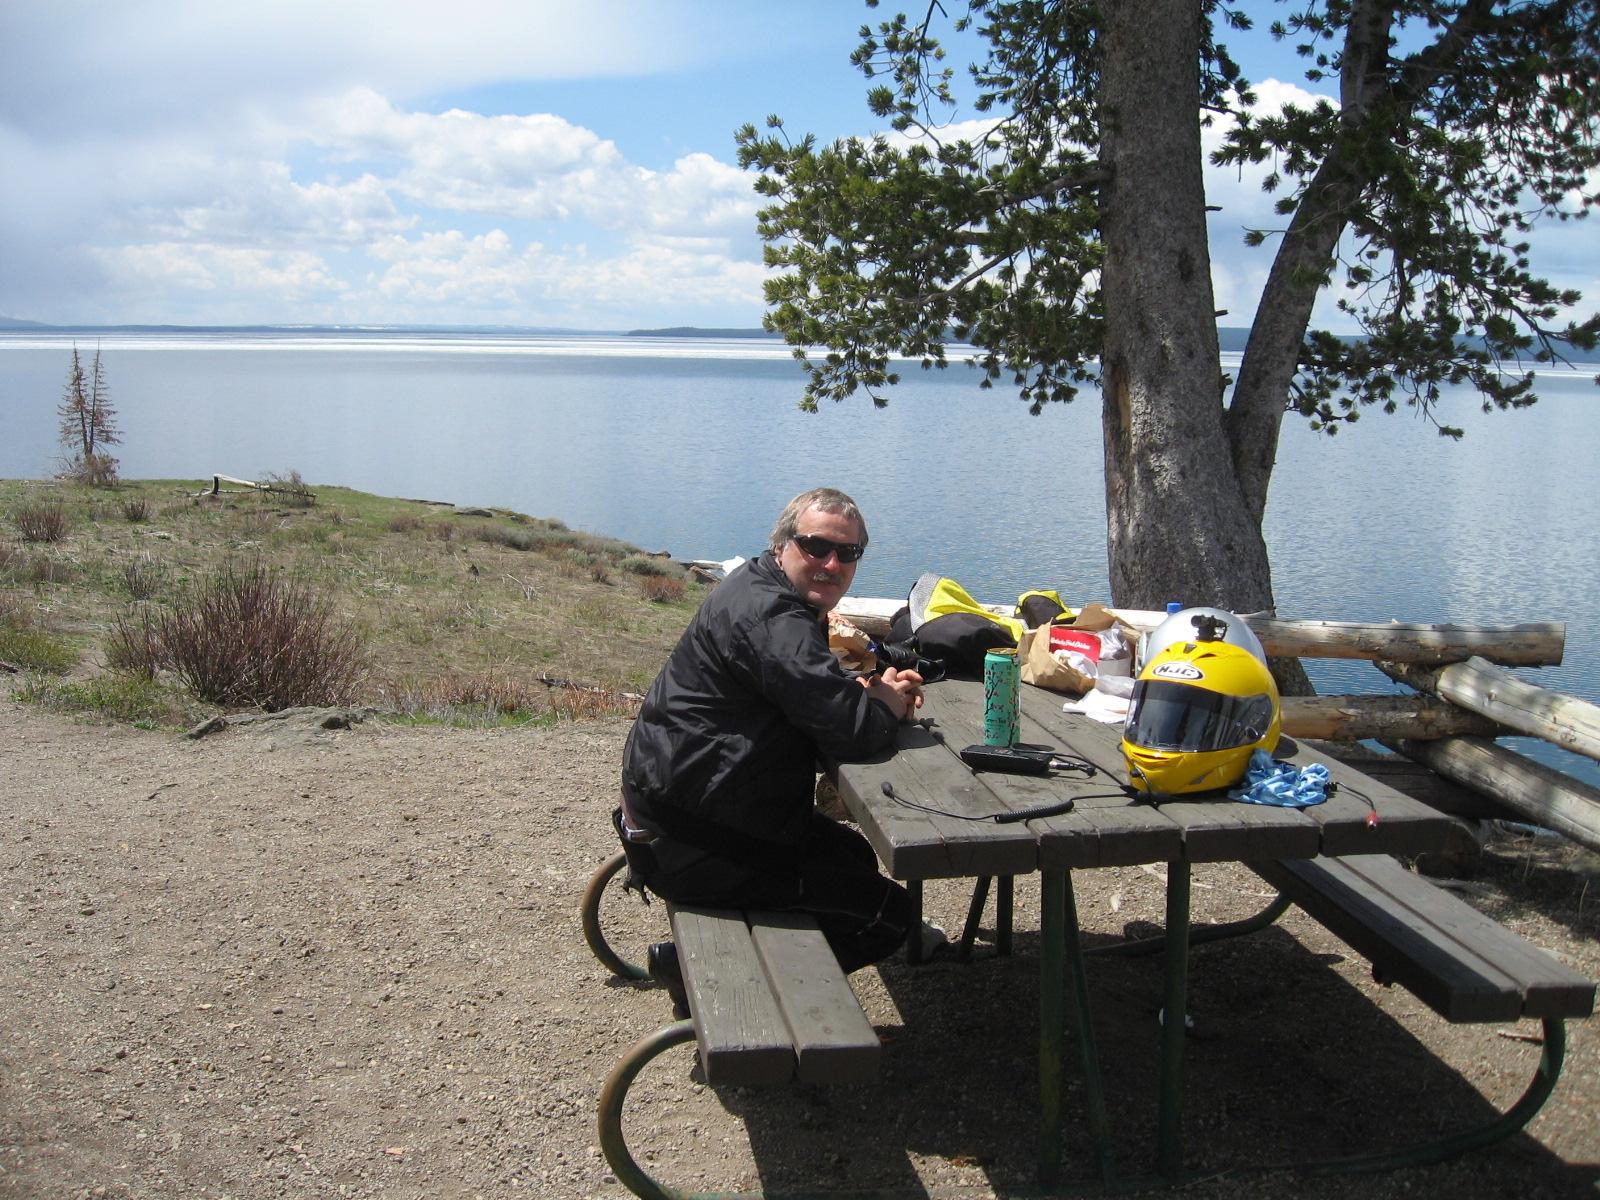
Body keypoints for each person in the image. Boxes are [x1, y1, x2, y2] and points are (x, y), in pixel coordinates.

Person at [614, 487, 925, 1015]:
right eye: (816, 547)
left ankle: (727, 956)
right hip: (690, 842)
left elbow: (805, 689)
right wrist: (888, 704)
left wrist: (861, 695)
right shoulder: (774, 619)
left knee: (851, 855)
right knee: (889, 916)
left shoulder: (761, 585)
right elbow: (852, 732)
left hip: (672, 811)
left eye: (847, 553)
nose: (831, 563)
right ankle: (715, 982)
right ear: (783, 543)